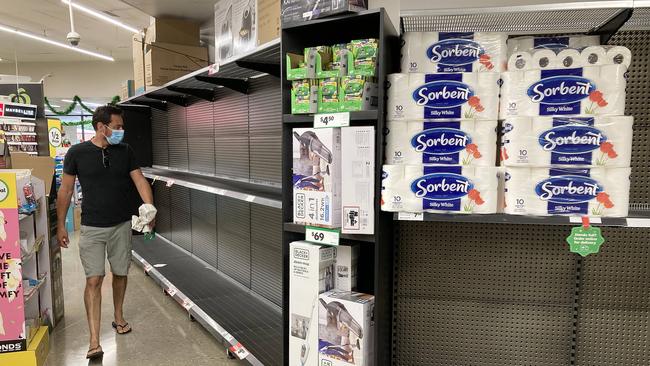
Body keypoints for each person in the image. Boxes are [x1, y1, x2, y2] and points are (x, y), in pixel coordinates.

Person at [56, 105, 155, 360]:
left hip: (121, 224)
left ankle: (119, 316)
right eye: (118, 126)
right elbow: (65, 191)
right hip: (91, 227)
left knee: (120, 274)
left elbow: (140, 180)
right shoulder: (77, 153)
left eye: (122, 127)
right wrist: (59, 226)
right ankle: (93, 340)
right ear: (102, 127)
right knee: (94, 279)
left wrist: (149, 209)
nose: (121, 131)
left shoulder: (125, 151)